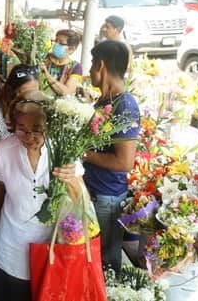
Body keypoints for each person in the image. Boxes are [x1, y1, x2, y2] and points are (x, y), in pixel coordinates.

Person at [0, 90, 84, 301]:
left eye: (37, 130)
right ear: (13, 125)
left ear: (49, 126)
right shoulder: (4, 149)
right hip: (10, 246)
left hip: (51, 248)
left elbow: (81, 199)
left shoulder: (62, 149)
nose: (29, 137)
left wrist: (71, 179)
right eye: (22, 129)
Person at [82, 40, 140, 272]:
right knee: (90, 260)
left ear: (102, 65)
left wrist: (84, 154)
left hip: (106, 199)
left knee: (104, 266)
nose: (89, 70)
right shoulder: (106, 100)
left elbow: (124, 162)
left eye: (92, 64)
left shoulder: (125, 105)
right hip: (93, 192)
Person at [0, 64, 40, 209]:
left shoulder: (40, 114)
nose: (32, 98)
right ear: (14, 91)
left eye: (36, 92)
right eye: (26, 93)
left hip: (25, 191)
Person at [40, 29, 82, 96]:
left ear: (71, 49)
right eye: (56, 41)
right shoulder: (45, 57)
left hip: (57, 105)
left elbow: (67, 92)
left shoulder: (75, 67)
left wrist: (47, 75)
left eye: (61, 43)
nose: (56, 44)